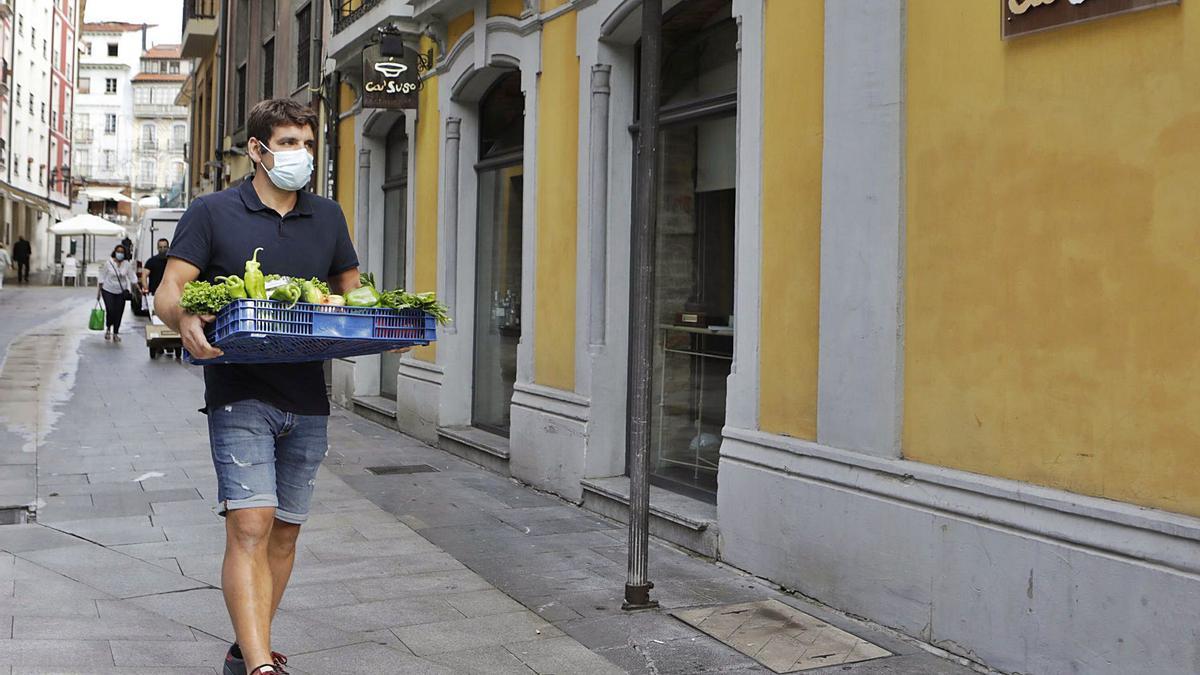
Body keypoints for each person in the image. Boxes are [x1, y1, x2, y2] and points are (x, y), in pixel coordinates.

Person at [155, 99, 363, 675]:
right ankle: (260, 667)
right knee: (251, 522)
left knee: (285, 534)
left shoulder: (328, 216)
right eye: (288, 143)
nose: (300, 154)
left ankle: (243, 648)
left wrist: (378, 323)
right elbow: (170, 291)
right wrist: (185, 319)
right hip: (238, 385)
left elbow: (351, 289)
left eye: (306, 143)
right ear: (257, 149)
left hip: (307, 392)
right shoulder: (212, 211)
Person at [97, 243, 140, 342]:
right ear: (115, 252)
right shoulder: (108, 263)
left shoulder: (127, 264)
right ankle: (108, 328)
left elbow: (132, 277)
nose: (119, 254)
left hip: (121, 292)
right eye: (118, 252)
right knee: (110, 310)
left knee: (119, 312)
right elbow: (101, 277)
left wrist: (138, 288)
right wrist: (98, 292)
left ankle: (115, 333)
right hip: (108, 290)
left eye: (122, 252)